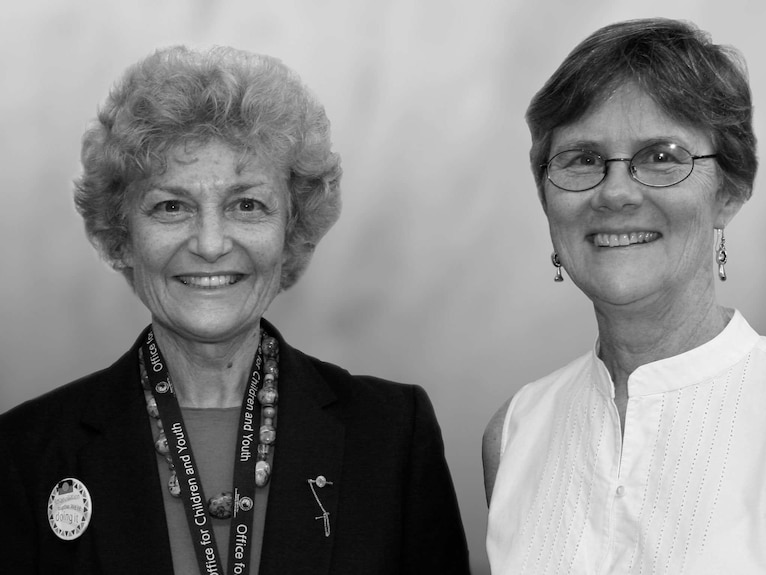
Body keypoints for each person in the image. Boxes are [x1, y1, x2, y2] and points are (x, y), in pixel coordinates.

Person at [0, 45, 470, 575]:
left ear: (292, 232)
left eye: (246, 204)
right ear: (121, 236)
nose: (209, 242)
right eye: (171, 206)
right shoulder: (24, 454)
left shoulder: (390, 437)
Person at [483, 18, 766, 574]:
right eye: (582, 158)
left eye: (661, 156)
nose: (615, 192)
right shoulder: (514, 432)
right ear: (547, 199)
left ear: (728, 192)